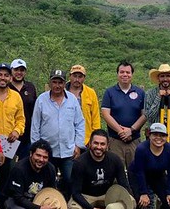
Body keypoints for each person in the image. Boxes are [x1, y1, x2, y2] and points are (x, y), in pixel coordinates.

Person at [31, 69, 85, 199]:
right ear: (50, 83)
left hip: (68, 150)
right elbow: (35, 126)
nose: (57, 85)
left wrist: (78, 145)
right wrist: (35, 149)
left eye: (60, 82)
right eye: (54, 82)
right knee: (47, 180)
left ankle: (68, 205)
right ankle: (46, 203)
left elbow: (80, 123)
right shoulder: (41, 100)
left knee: (69, 178)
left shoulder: (72, 100)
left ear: (64, 83)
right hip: (47, 152)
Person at [67, 130, 132, 209]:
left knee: (130, 201)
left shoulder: (115, 160)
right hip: (85, 195)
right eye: (95, 143)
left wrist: (128, 201)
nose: (99, 147)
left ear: (107, 145)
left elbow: (124, 184)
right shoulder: (79, 163)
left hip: (107, 195)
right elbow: (75, 192)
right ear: (89, 144)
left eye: (102, 144)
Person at [0, 62, 25, 209]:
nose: (3, 78)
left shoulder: (16, 97)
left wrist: (17, 131)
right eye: (0, 74)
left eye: (6, 75)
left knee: (5, 179)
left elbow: (21, 119)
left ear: (10, 78)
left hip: (9, 146)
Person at [127, 123, 170, 209]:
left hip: (157, 174)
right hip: (137, 174)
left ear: (166, 136)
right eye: (155, 134)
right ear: (149, 135)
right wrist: (144, 193)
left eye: (162, 135)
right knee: (141, 200)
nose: (158, 138)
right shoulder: (141, 149)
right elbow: (139, 172)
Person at [4, 140, 58, 209]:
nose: (41, 159)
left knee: (54, 207)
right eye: (38, 155)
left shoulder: (51, 169)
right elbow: (18, 197)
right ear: (31, 154)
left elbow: (51, 191)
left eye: (45, 157)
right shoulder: (19, 169)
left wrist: (50, 206)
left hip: (36, 198)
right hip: (14, 198)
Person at [101, 61, 146, 169]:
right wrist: (121, 131)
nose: (125, 75)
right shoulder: (109, 92)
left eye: (128, 72)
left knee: (135, 172)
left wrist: (131, 130)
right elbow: (106, 114)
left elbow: (144, 115)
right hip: (115, 140)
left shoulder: (140, 93)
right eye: (122, 72)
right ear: (117, 74)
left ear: (132, 75)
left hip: (134, 140)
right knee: (115, 172)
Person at [143, 63, 170, 148]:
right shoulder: (149, 94)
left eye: (168, 76)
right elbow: (149, 117)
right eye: (162, 76)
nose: (165, 79)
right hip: (154, 137)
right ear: (158, 78)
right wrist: (158, 98)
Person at [9, 58, 38, 161]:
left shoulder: (30, 87)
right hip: (10, 136)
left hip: (27, 135)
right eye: (16, 70)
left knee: (25, 164)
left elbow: (35, 110)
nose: (19, 73)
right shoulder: (6, 87)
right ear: (11, 70)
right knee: (8, 167)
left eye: (22, 70)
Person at [66, 64, 101, 144]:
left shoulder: (91, 93)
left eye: (80, 77)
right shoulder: (62, 91)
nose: (77, 79)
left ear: (84, 78)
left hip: (86, 139)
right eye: (74, 76)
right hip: (66, 137)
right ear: (70, 76)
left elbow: (95, 117)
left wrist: (95, 137)